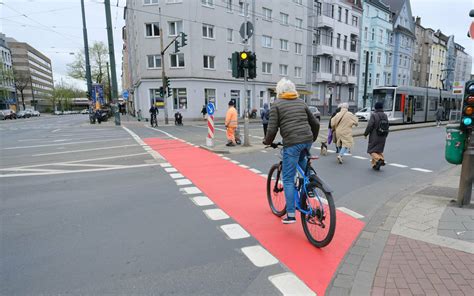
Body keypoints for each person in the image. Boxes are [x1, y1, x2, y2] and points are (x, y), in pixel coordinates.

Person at [263, 78, 320, 224]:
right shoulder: (301, 102)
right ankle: (311, 184)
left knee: (288, 179)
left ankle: (290, 214)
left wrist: (267, 141)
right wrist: (311, 139)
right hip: (306, 140)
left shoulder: (277, 104)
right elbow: (315, 123)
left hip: (292, 143)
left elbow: (272, 128)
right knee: (302, 163)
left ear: (279, 91)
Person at [364, 102, 389, 170]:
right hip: (383, 135)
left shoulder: (374, 115)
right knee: (378, 151)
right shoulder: (385, 115)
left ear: (375, 107)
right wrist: (386, 135)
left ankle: (380, 159)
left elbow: (370, 126)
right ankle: (375, 165)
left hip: (375, 136)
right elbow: (387, 126)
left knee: (371, 150)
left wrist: (365, 134)